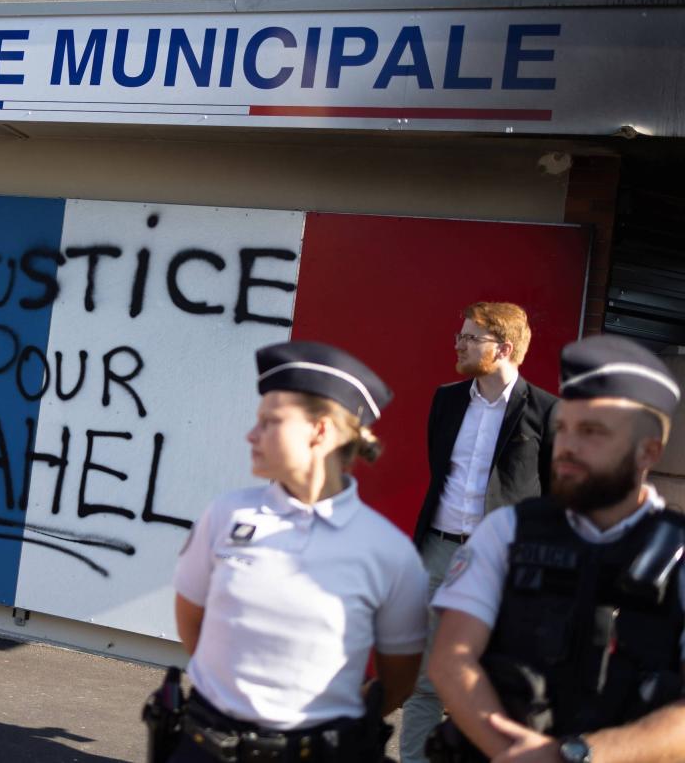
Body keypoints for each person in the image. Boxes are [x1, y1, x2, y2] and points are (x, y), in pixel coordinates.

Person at [165, 341, 428, 762]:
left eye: (271, 422)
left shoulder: (389, 552)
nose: (252, 434)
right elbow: (191, 622)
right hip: (206, 746)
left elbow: (397, 679)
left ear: (320, 431)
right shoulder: (225, 515)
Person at [428, 335, 685, 763]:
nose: (566, 445)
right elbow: (451, 660)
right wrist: (515, 756)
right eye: (563, 427)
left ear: (649, 452)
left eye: (591, 432)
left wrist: (574, 756)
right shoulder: (508, 530)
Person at [402, 302, 557, 762]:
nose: (459, 344)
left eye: (471, 338)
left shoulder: (547, 412)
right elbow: (439, 471)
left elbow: (552, 496)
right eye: (460, 335)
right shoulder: (446, 400)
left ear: (503, 348)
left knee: (494, 683)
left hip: (501, 564)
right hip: (437, 551)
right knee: (424, 679)